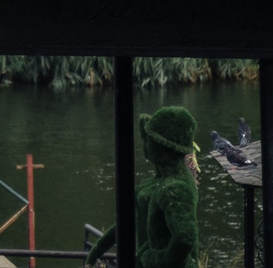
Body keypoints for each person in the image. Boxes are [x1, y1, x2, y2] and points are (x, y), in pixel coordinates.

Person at [84, 106, 200, 268]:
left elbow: (186, 238)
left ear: (162, 146)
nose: (145, 145)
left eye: (149, 140)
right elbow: (127, 222)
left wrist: (155, 259)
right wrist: (97, 250)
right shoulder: (158, 182)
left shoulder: (176, 187)